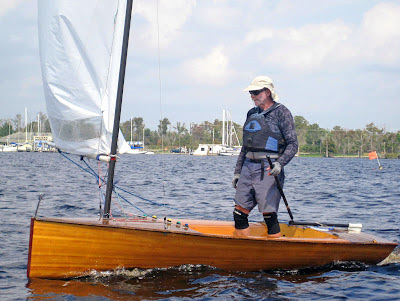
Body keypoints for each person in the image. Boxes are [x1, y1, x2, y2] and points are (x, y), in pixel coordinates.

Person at [232, 76, 298, 238]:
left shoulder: (282, 112)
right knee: (239, 213)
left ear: (267, 92)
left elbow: (293, 144)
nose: (252, 96)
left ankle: (276, 254)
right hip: (248, 167)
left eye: (255, 92)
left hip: (269, 168)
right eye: (250, 93)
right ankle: (244, 251)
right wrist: (238, 171)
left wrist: (280, 164)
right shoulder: (251, 113)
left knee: (269, 215)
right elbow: (245, 146)